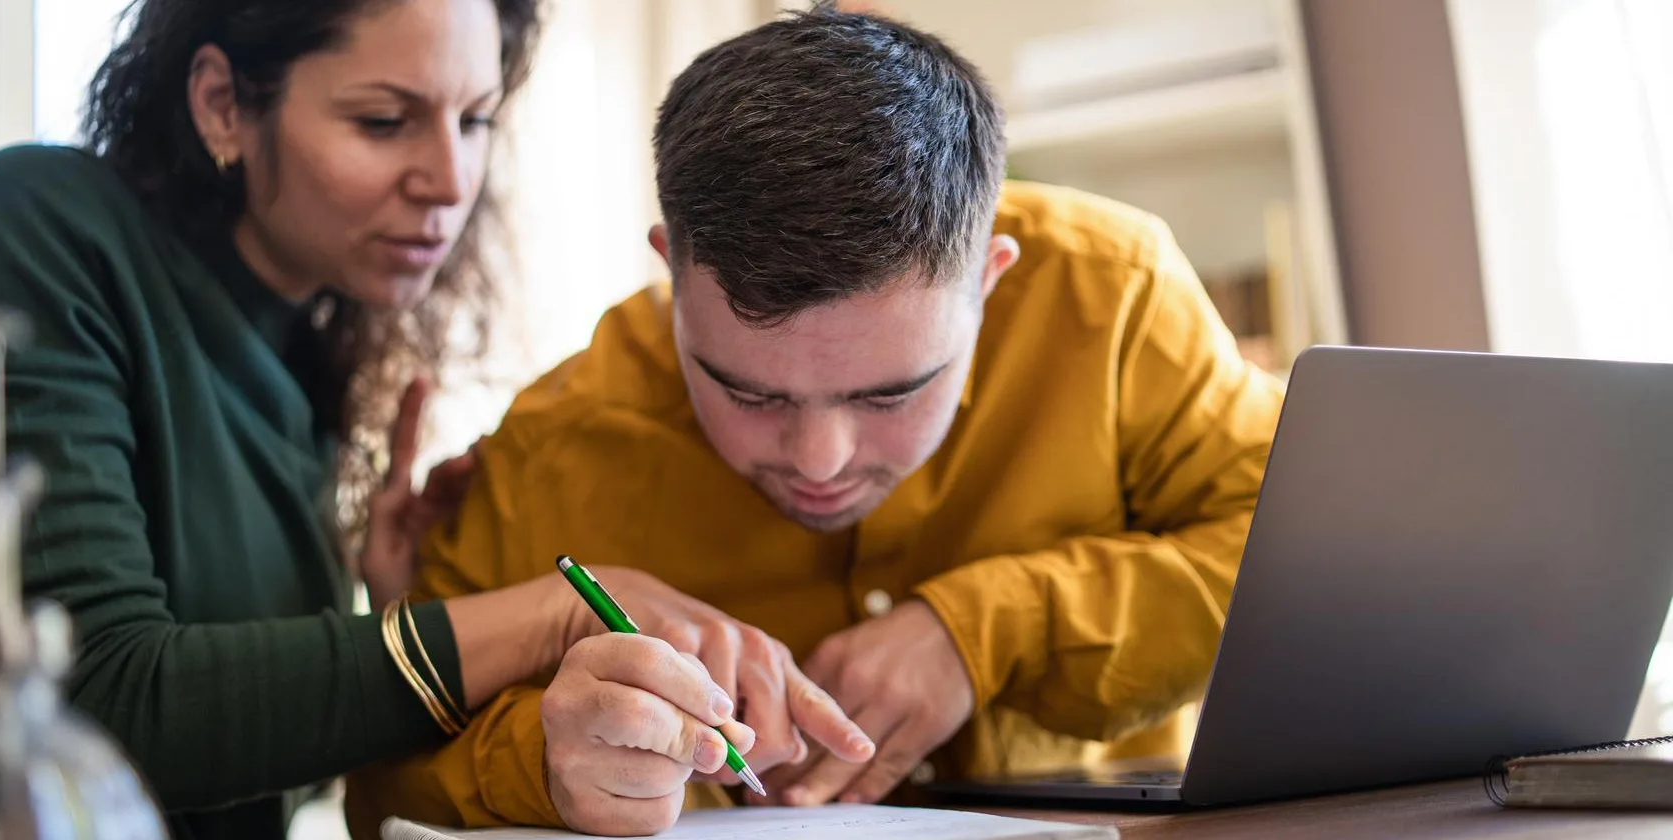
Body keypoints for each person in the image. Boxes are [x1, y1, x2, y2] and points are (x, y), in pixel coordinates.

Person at [0, 2, 868, 839]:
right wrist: (538, 618)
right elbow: (99, 707)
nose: (449, 178)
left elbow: (256, 757)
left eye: (477, 120)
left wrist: (382, 593)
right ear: (221, 105)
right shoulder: (37, 230)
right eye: (383, 120)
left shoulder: (316, 355)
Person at [342, 4, 1287, 837]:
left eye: (890, 394)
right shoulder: (553, 446)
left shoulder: (1113, 295)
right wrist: (545, 768)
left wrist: (987, 629)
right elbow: (383, 788)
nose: (820, 461)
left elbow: (1298, 557)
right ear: (673, 268)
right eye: (749, 393)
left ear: (990, 279)